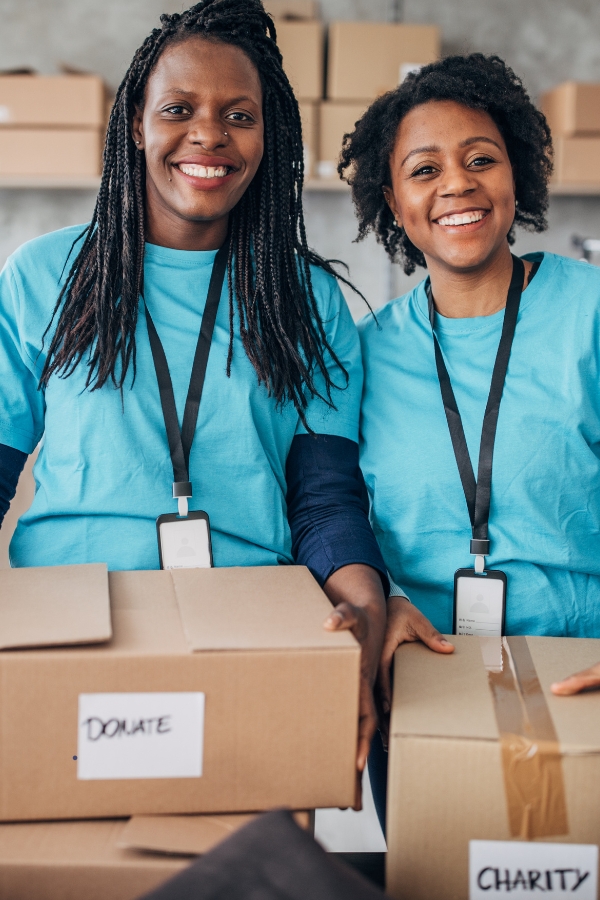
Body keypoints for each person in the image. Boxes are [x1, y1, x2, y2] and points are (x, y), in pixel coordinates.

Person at [0, 0, 388, 791]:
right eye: (178, 109)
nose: (208, 134)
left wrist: (364, 619)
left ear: (268, 138)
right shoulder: (44, 276)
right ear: (135, 125)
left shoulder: (305, 299)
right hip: (69, 621)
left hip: (250, 626)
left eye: (238, 115)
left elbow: (323, 500)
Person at [338, 53, 600, 826]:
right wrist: (381, 597)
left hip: (580, 677)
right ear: (394, 199)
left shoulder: (589, 313)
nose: (456, 184)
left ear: (515, 174)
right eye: (425, 169)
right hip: (423, 687)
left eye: (480, 159)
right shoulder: (364, 353)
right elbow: (333, 510)